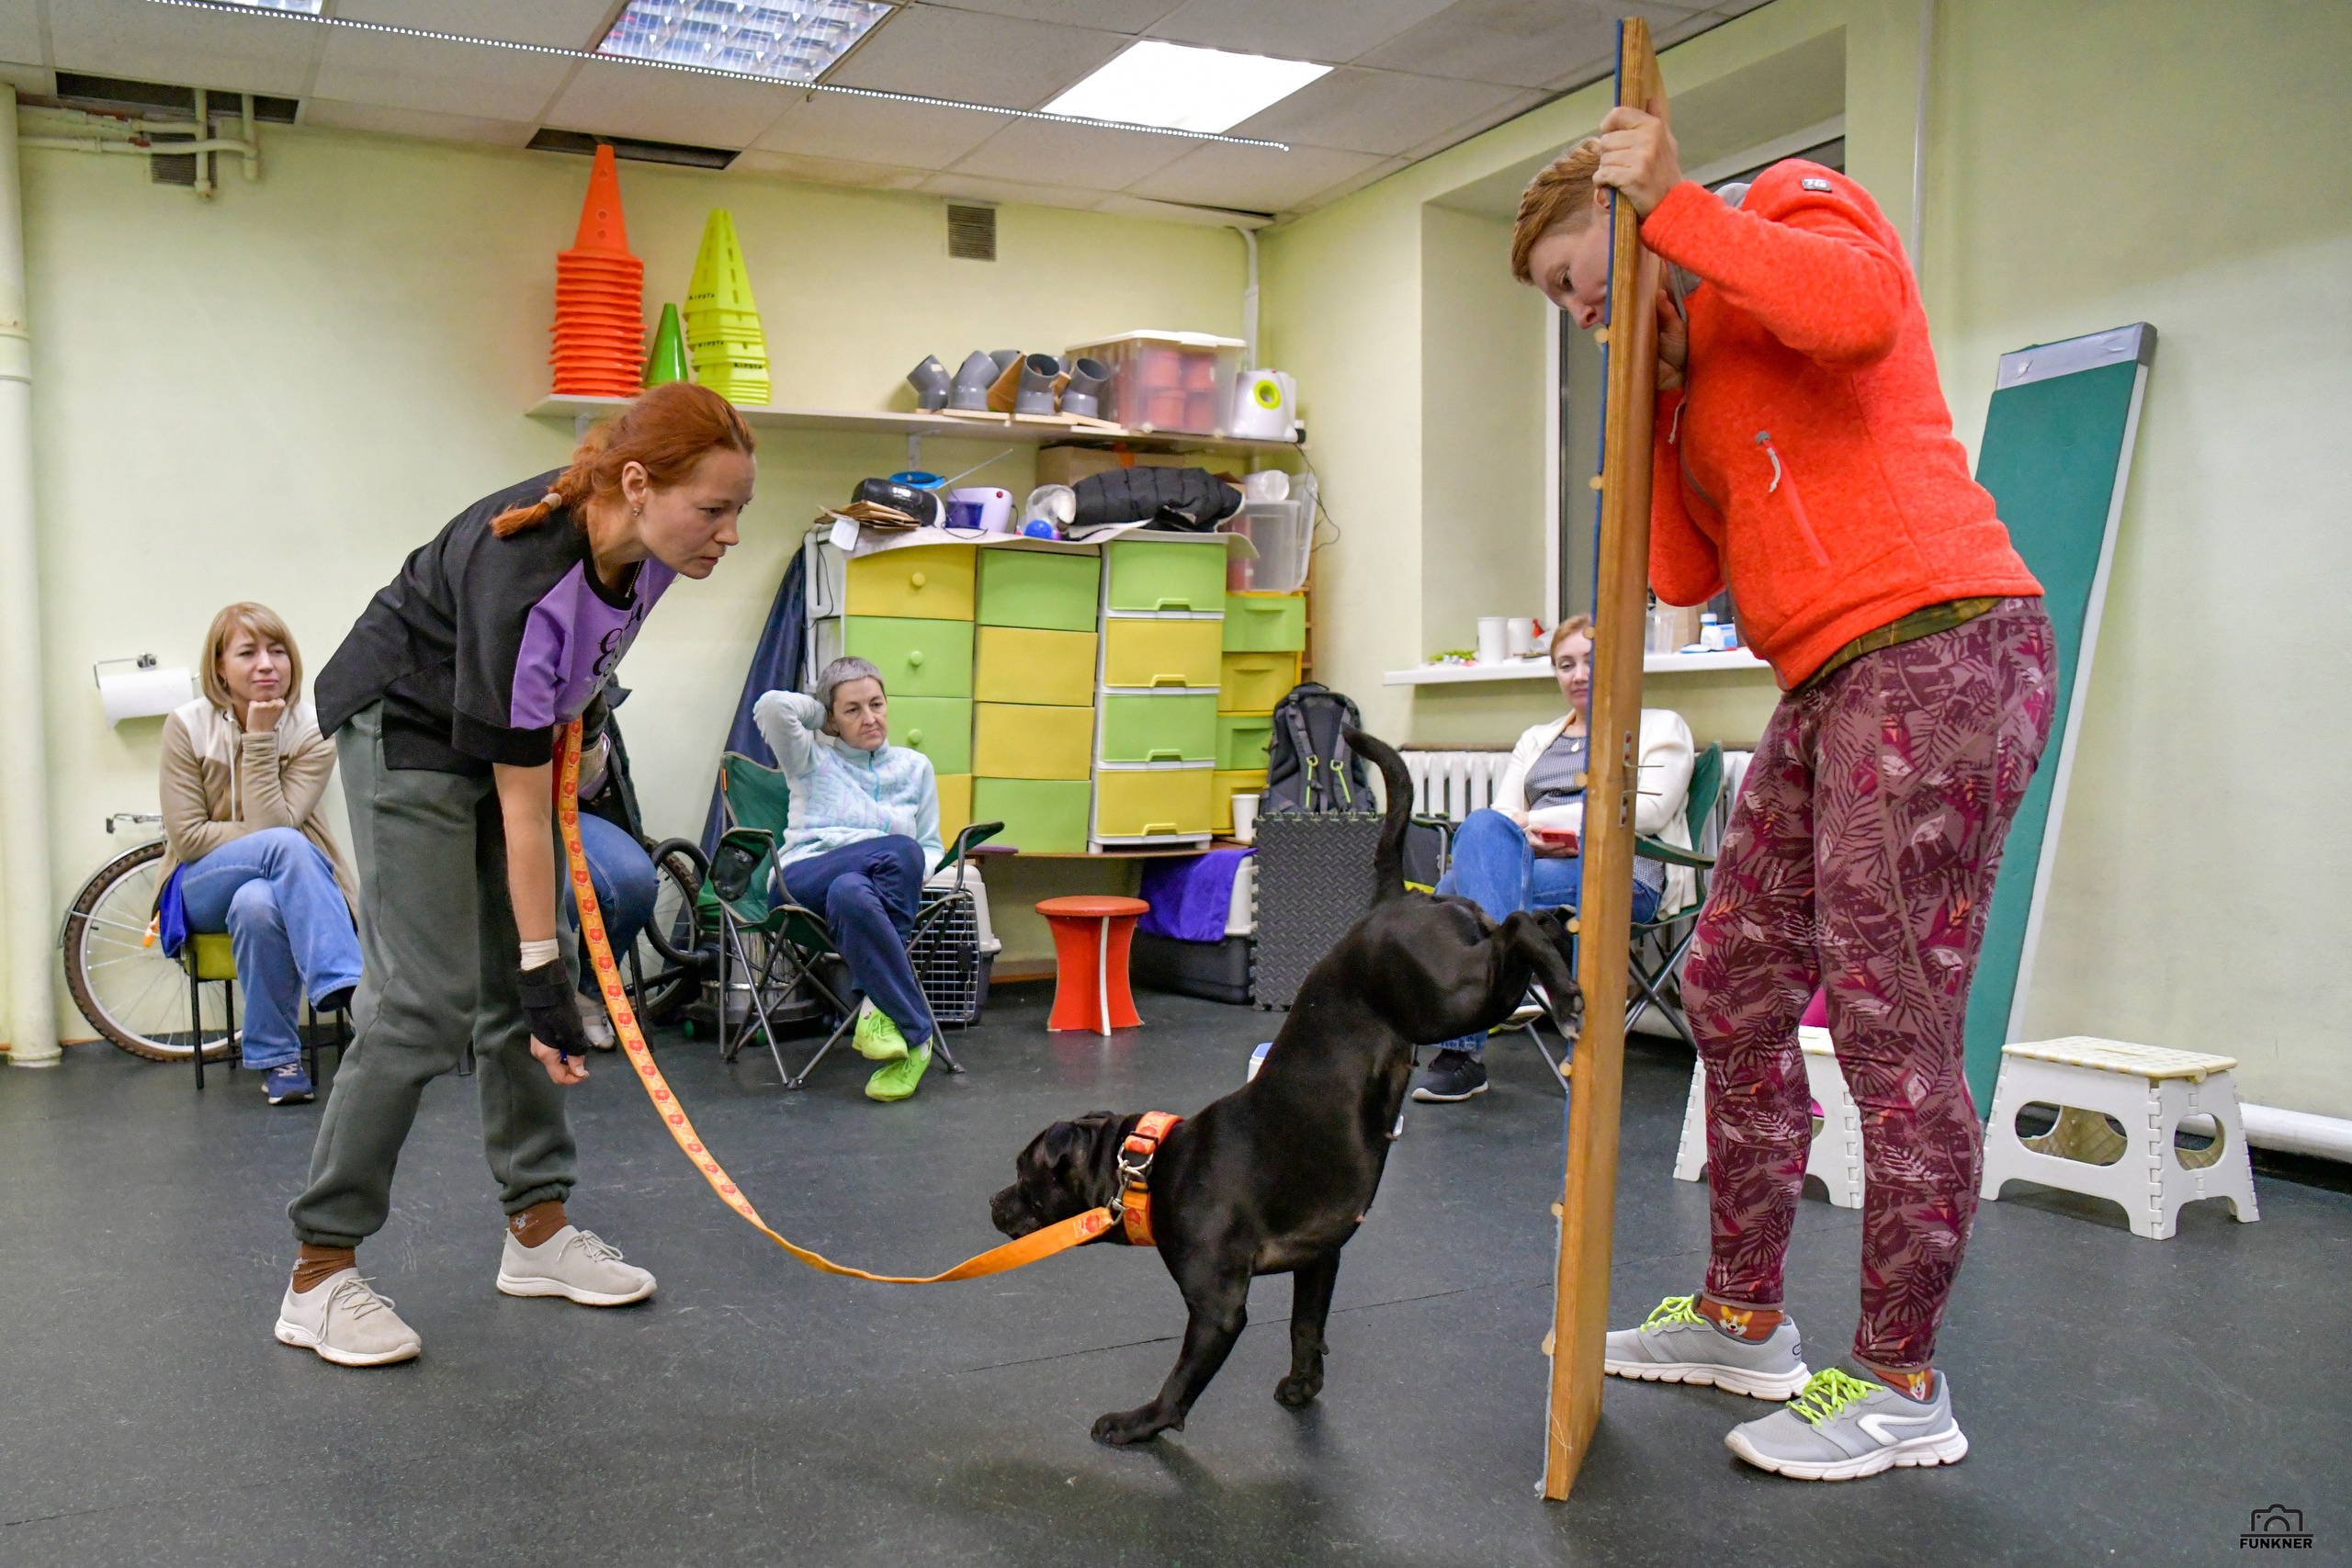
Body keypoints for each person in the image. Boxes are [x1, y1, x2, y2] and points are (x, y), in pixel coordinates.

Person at [1510, 111, 2055, 1479]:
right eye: (1564, 306)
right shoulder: (1689, 363)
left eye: (1580, 275)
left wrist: (1684, 211)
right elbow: (1690, 574)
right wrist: (1647, 394)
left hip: (1942, 638)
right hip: (1826, 674)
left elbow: (1859, 314)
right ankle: (1747, 1314)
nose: (1578, 311)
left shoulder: (1793, 206)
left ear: (1629, 206)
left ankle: (1901, 1383)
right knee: (1734, 983)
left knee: (1891, 1013)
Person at [276, 381, 756, 1367]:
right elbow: (524, 807)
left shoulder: (658, 555)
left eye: (739, 510)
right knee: (425, 1003)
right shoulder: (520, 574)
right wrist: (538, 966)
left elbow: (573, 679)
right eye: (714, 509)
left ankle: (536, 1232)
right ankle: (318, 1274)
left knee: (539, 990)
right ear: (636, 482)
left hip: (503, 728)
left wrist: (544, 971)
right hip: (406, 724)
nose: (730, 534)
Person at [1412, 615, 1694, 1104]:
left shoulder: (1659, 725)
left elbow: (1649, 809)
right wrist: (1530, 833)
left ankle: (1466, 1047)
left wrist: (1542, 824)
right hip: (1533, 863)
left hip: (1620, 873)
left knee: (1453, 896)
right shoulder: (1537, 737)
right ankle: (1513, 974)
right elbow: (1501, 818)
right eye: (1566, 665)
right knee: (1479, 826)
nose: (1578, 674)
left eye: (1590, 661)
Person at [157, 603, 364, 1107]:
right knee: (287, 845)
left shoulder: (315, 730)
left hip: (284, 882)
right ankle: (352, 988)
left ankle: (279, 1061)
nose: (267, 664)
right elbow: (190, 838)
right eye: (248, 653)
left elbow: (274, 829)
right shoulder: (186, 726)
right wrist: (259, 737)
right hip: (199, 884)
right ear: (220, 667)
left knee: (257, 904)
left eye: (278, 651)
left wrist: (263, 738)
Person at [752, 656, 944, 1104]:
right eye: (852, 709)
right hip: (803, 879)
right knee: (899, 849)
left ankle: (896, 1026)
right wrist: (823, 713)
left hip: (867, 896)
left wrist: (907, 876)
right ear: (832, 720)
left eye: (876, 704)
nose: (870, 717)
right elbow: (771, 706)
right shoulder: (810, 757)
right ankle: (912, 1023)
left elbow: (932, 848)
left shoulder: (916, 768)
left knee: (854, 891)